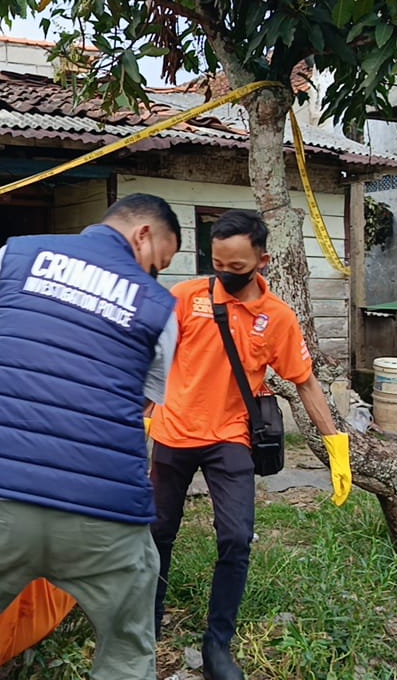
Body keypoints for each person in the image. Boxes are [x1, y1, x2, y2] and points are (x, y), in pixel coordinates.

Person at [0, 193, 182, 679]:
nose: (154, 275)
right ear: (143, 235)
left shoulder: (16, 253)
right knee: (127, 650)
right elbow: (141, 404)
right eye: (157, 263)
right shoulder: (159, 305)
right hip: (102, 511)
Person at [148, 209, 352, 680]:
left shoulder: (277, 318)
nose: (225, 275)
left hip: (230, 438)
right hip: (173, 433)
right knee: (157, 533)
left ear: (262, 259)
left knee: (236, 538)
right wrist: (138, 421)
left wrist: (335, 446)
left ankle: (218, 643)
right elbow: (149, 357)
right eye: (218, 263)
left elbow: (305, 383)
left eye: (237, 268)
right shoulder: (185, 297)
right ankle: (147, 624)